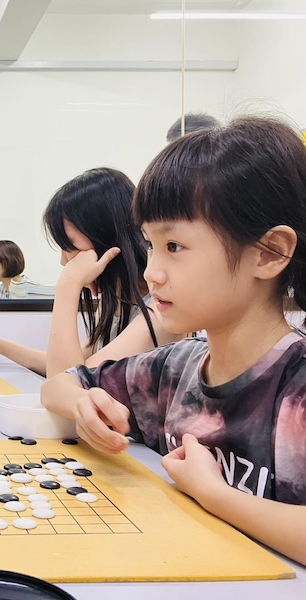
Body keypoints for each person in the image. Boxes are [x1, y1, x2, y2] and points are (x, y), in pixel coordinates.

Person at [42, 117, 306, 566]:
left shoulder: (295, 389)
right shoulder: (174, 368)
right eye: (149, 246)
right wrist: (82, 406)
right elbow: (58, 385)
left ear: (269, 253)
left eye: (175, 247)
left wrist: (212, 493)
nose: (151, 272)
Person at [0, 168, 181, 377]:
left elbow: (69, 384)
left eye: (70, 248)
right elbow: (76, 366)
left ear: (108, 239)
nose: (64, 262)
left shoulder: (159, 315)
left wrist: (68, 287)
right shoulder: (116, 302)